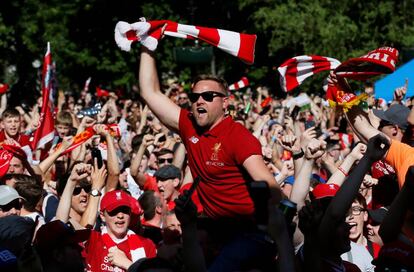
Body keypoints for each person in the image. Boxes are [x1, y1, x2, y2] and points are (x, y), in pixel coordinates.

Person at [138, 46, 282, 220]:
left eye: (208, 96)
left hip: (245, 231)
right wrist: (148, 43)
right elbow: (150, 93)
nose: (200, 100)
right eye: (195, 96)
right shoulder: (189, 125)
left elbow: (272, 191)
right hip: (212, 231)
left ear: (225, 103)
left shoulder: (238, 136)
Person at [85, 190, 156, 271]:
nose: (120, 215)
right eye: (114, 211)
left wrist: (127, 264)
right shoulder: (92, 240)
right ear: (102, 216)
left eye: (125, 211)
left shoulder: (147, 245)